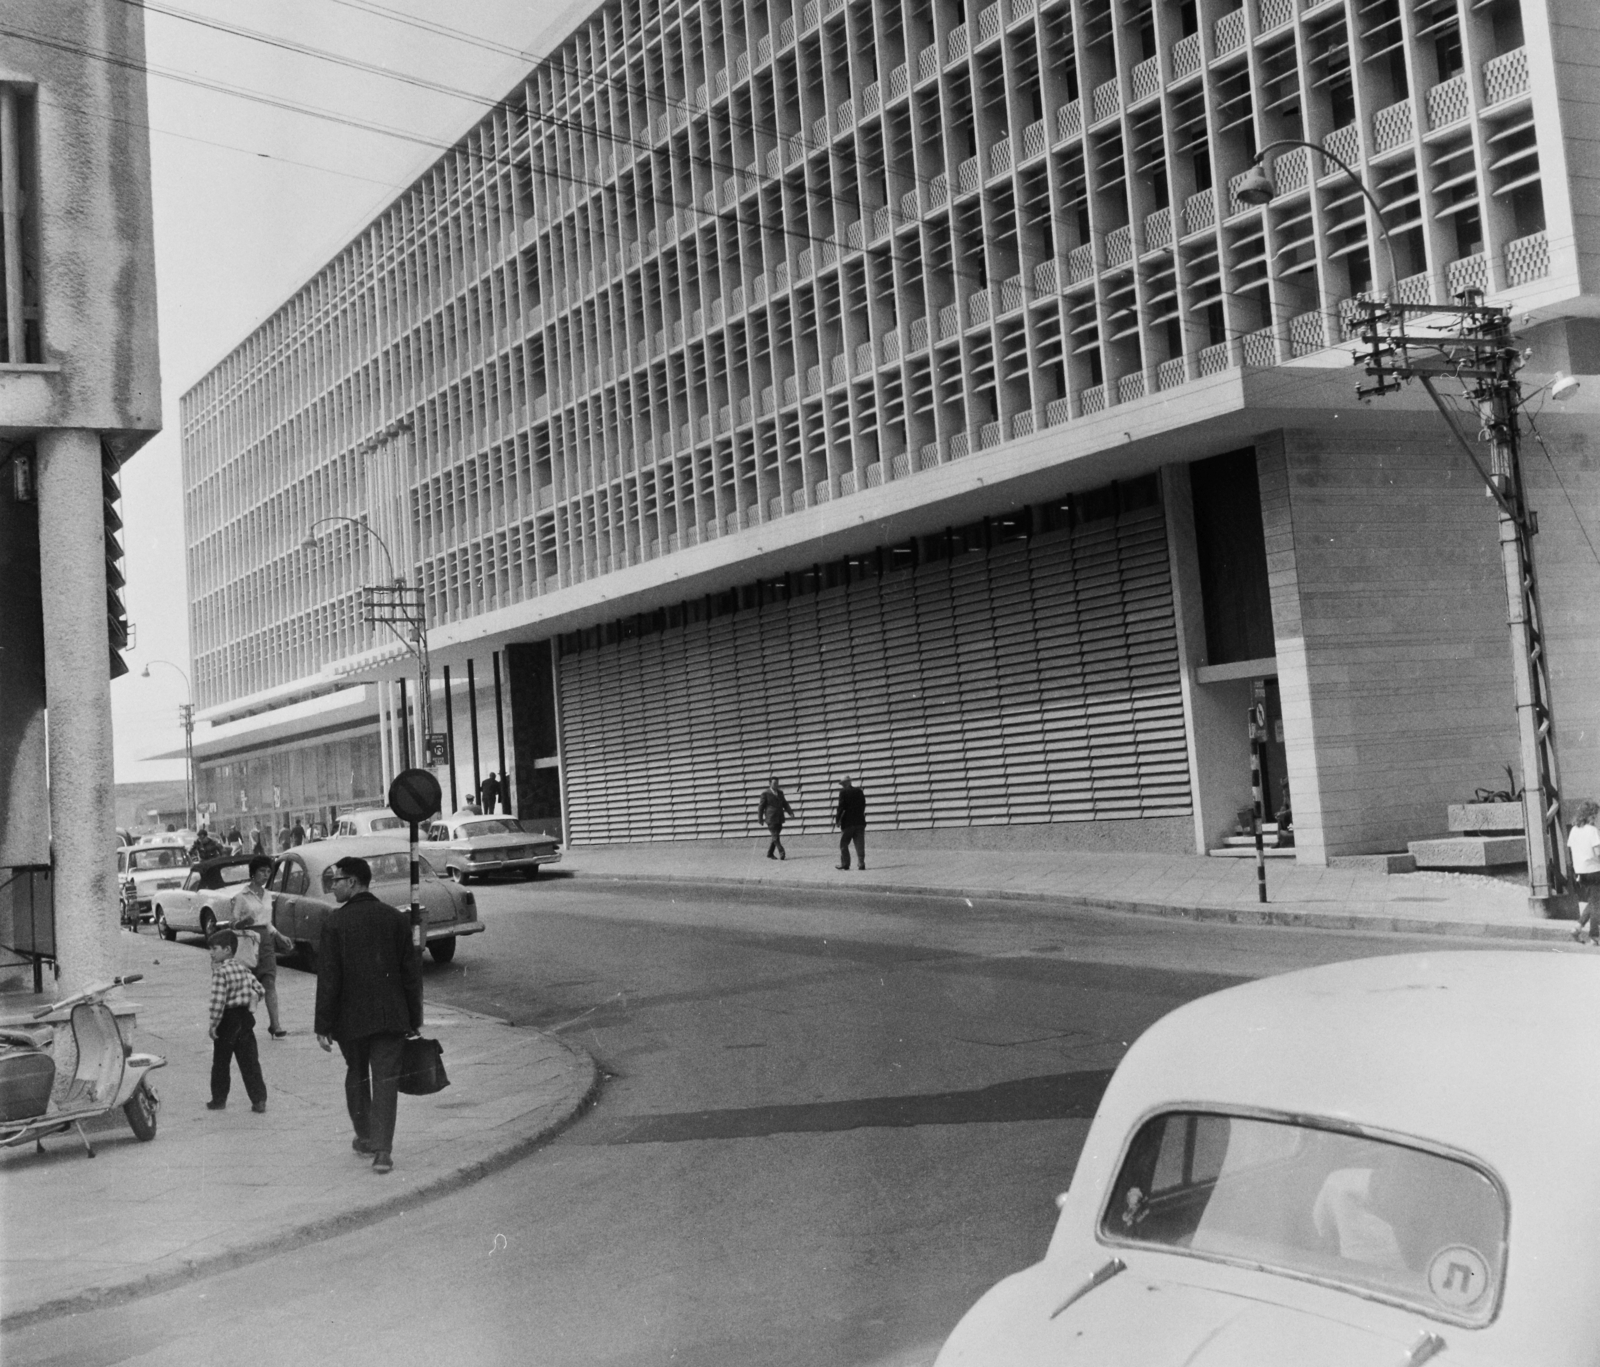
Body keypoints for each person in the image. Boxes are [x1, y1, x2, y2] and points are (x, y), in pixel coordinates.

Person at [314, 855, 423, 1175]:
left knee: (357, 1074)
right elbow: (410, 973)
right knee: (386, 1079)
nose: (332, 887)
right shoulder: (394, 918)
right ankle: (383, 1152)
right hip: (391, 1017)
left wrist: (323, 1024)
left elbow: (329, 978)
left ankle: (365, 1136)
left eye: (336, 880)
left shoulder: (335, 922)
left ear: (352, 882)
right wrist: (414, 1018)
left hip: (351, 1020)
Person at [205, 929, 268, 1113]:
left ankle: (219, 1099)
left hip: (227, 1020)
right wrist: (253, 997)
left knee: (221, 1063)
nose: (211, 952)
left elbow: (218, 1002)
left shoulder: (220, 973)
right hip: (245, 1020)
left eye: (214, 948)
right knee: (250, 1062)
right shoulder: (243, 969)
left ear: (227, 949)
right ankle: (259, 1100)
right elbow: (260, 989)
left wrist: (213, 1025)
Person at [232, 854, 289, 1038]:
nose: (265, 875)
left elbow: (267, 922)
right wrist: (243, 922)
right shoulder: (241, 896)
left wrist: (279, 935)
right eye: (262, 871)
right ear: (253, 873)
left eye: (268, 872)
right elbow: (232, 924)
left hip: (265, 942)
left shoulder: (268, 895)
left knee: (269, 981)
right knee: (248, 984)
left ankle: (276, 1025)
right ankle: (244, 1023)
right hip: (248, 942)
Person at [1570, 801, 1600, 943]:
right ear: (1589, 815)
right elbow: (1597, 853)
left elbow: (1572, 850)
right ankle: (1594, 936)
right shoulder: (1592, 830)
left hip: (1581, 872)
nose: (1596, 818)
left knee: (1593, 901)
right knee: (1597, 904)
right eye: (1594, 815)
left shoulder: (1574, 830)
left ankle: (1577, 927)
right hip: (1595, 870)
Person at [757, 777, 794, 860]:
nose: (776, 785)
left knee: (775, 836)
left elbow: (785, 803)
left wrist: (790, 812)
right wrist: (760, 819)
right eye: (774, 783)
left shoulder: (780, 793)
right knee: (775, 836)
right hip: (770, 818)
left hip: (779, 817)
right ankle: (781, 851)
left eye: (777, 783)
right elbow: (761, 807)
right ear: (770, 784)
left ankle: (770, 853)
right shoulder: (765, 793)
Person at [835, 777, 867, 870]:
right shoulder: (859, 791)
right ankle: (861, 863)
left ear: (844, 784)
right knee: (860, 843)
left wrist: (837, 820)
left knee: (844, 843)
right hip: (860, 821)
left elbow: (841, 807)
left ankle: (845, 863)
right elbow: (863, 805)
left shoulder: (843, 792)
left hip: (848, 822)